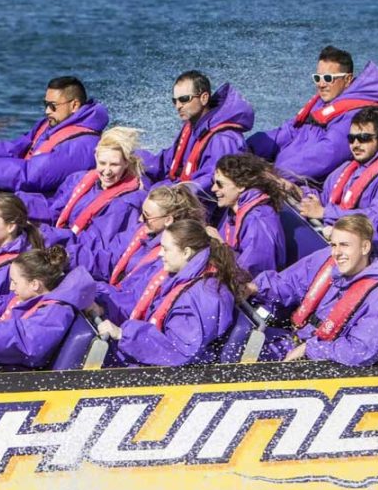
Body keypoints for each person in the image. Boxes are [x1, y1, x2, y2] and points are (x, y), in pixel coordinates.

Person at [248, 214, 378, 367]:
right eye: (334, 245)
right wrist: (254, 288)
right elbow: (290, 283)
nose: (337, 253)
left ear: (365, 247)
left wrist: (310, 349)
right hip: (292, 340)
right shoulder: (327, 259)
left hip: (320, 364)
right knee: (244, 342)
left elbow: (361, 351)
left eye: (345, 245)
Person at [96, 220, 243, 367]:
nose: (160, 254)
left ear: (186, 252)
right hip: (152, 354)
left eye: (165, 249)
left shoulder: (202, 296)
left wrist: (123, 335)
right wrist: (104, 306)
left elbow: (178, 352)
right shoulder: (181, 276)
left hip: (172, 375)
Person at [248, 46, 378, 185]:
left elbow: (328, 153)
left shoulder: (354, 115)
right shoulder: (321, 103)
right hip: (280, 173)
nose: (321, 84)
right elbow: (288, 131)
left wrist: (275, 173)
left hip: (305, 185)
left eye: (328, 78)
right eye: (318, 78)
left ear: (347, 79)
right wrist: (248, 148)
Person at [17, 126, 149, 248]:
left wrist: (41, 233)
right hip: (59, 239)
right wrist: (18, 204)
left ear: (126, 163)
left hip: (78, 254)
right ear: (95, 157)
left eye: (114, 165)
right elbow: (54, 209)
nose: (107, 171)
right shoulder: (78, 179)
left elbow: (94, 243)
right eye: (102, 163)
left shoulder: (125, 204)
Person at [299, 108, 378, 242]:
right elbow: (324, 198)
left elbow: (375, 219)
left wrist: (324, 213)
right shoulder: (347, 168)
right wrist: (298, 192)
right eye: (351, 138)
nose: (356, 144)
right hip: (332, 237)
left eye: (364, 138)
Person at [137, 71, 254, 200]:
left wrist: (171, 194)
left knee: (129, 204)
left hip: (201, 207)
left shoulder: (223, 139)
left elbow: (213, 182)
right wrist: (131, 159)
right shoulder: (191, 128)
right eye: (174, 101)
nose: (178, 106)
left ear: (204, 98)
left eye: (184, 99)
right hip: (179, 194)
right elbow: (166, 162)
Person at [0, 76, 110, 194]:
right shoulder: (49, 126)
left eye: (53, 106)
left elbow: (31, 177)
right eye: (46, 104)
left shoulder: (83, 145)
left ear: (74, 105)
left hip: (43, 208)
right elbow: (15, 148)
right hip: (24, 195)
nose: (47, 111)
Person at [70, 184, 206, 286]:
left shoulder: (168, 256)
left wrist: (94, 290)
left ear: (168, 220)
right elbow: (106, 260)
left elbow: (130, 295)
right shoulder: (143, 231)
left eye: (147, 216)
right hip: (112, 293)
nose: (140, 219)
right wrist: (68, 256)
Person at [207, 153, 288, 276]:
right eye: (214, 182)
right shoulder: (234, 208)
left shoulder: (258, 222)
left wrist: (219, 245)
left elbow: (250, 274)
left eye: (220, 184)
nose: (213, 189)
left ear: (240, 186)